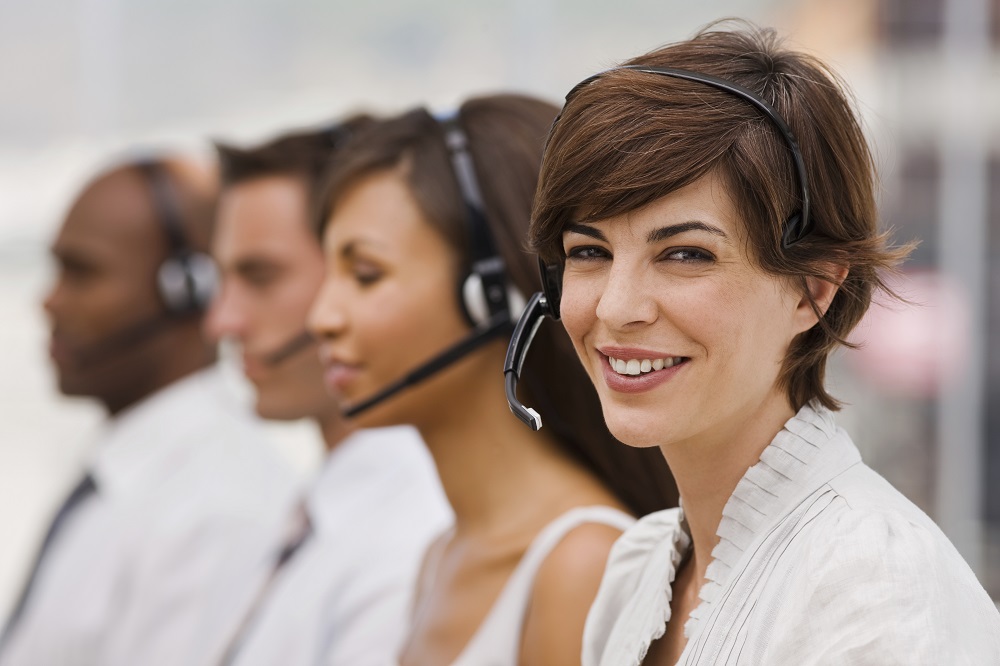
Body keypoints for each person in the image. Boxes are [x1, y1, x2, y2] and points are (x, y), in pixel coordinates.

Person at [522, 23, 1000, 665]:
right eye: (589, 252)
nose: (615, 306)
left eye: (686, 254)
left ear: (813, 289)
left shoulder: (874, 585)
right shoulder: (636, 571)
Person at [308, 95, 678, 666]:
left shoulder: (579, 565)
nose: (321, 317)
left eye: (365, 274)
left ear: (492, 296)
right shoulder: (443, 555)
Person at [0, 156, 300, 665]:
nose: (48, 301)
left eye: (82, 272)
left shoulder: (215, 503)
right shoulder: (129, 474)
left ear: (188, 290)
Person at [195, 120, 452, 666]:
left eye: (260, 276)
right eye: (221, 278)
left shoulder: (408, 539)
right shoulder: (306, 510)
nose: (223, 320)